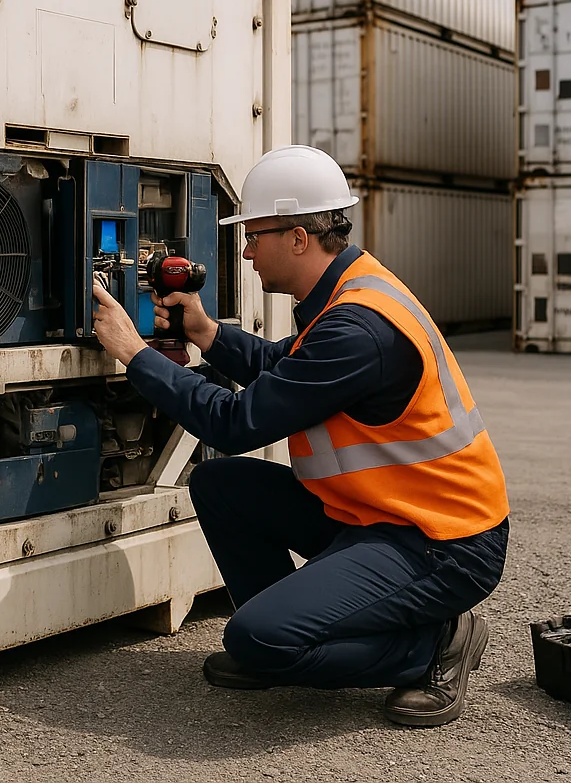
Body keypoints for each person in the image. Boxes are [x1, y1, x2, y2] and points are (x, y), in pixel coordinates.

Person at [90, 145, 509, 727]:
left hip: (442, 542)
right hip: (377, 514)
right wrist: (208, 333)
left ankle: (435, 643)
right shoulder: (347, 291)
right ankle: (285, 630)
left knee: (257, 639)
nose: (245, 249)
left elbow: (234, 424)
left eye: (254, 235)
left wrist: (134, 354)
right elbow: (284, 367)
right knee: (220, 485)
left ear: (297, 238)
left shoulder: (357, 327)